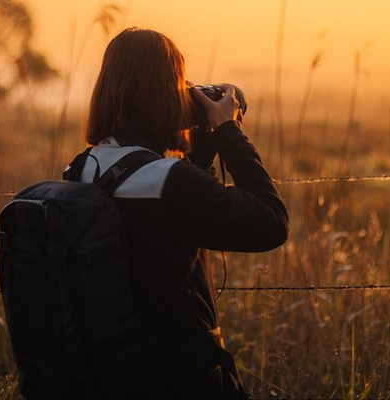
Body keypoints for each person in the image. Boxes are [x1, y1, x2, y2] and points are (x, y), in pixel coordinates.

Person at [68, 27, 289, 400]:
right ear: (165, 94)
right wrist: (228, 131)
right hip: (182, 376)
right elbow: (271, 222)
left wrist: (198, 155)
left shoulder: (81, 169)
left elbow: (166, 227)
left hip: (114, 371)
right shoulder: (170, 181)